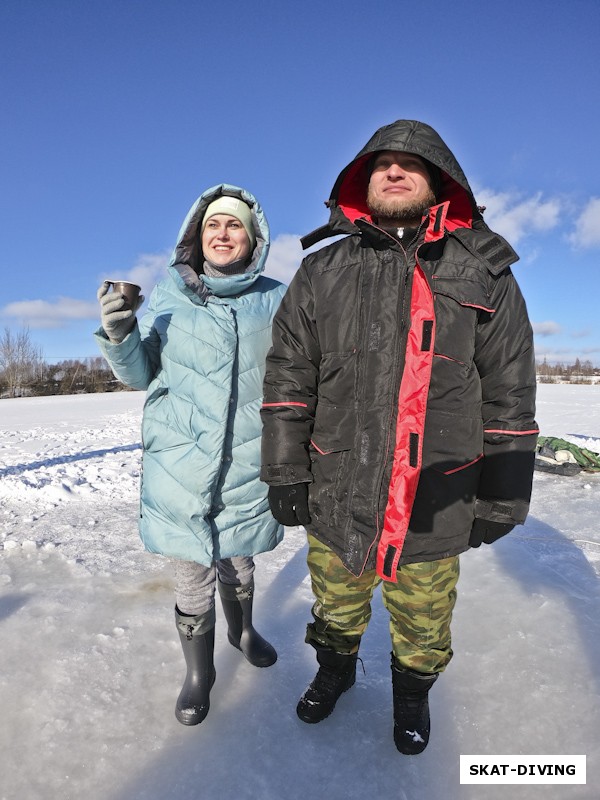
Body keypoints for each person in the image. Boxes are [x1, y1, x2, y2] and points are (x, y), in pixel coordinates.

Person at [260, 120, 538, 754]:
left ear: (437, 179)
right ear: (362, 180)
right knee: (335, 607)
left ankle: (412, 697)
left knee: (424, 620)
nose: (393, 171)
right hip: (337, 488)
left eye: (409, 164)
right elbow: (289, 377)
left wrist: (503, 493)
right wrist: (284, 472)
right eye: (381, 163)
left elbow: (510, 390)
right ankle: (333, 673)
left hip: (437, 494)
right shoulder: (321, 270)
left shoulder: (484, 269)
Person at [95, 185, 286, 726]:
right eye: (212, 226)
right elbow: (140, 373)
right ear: (196, 236)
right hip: (181, 464)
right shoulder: (170, 295)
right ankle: (200, 673)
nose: (222, 234)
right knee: (191, 572)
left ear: (254, 239)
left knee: (240, 560)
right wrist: (120, 333)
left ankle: (243, 630)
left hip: (247, 461)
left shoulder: (276, 296)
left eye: (234, 226)